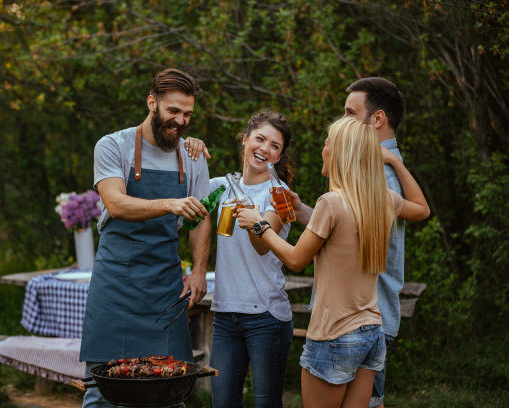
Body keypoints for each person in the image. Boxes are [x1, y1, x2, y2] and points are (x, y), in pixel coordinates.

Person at [237, 116, 429, 408]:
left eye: (326, 145)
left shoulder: (331, 202)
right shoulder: (383, 200)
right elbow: (422, 208)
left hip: (333, 336)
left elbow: (296, 259)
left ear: (339, 153)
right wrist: (299, 208)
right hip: (371, 333)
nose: (323, 150)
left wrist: (259, 225)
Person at [79, 68, 211, 408]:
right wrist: (170, 203)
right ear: (152, 103)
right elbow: (116, 203)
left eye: (188, 114)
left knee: (171, 388)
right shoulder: (113, 145)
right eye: (173, 111)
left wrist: (198, 270)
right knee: (102, 389)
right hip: (116, 283)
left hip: (164, 286)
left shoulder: (192, 156)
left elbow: (200, 219)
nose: (181, 121)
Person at [284, 77, 410, 408]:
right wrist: (301, 211)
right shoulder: (376, 182)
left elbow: (304, 253)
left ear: (377, 118)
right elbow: (345, 228)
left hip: (344, 323)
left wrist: (260, 227)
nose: (342, 123)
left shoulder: (378, 174)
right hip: (370, 325)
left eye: (349, 113)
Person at [208, 111, 295, 408]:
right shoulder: (220, 186)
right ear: (245, 140)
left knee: (266, 404)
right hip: (224, 313)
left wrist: (254, 220)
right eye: (259, 139)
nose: (265, 148)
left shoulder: (281, 196)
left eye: (274, 146)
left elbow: (262, 247)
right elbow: (188, 209)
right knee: (222, 403)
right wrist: (191, 148)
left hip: (266, 316)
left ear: (279, 156)